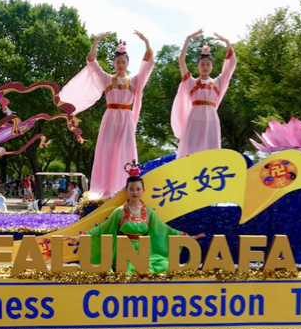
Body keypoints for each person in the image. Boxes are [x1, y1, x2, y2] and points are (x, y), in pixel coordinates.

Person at [59, 31, 155, 198]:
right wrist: (96, 41)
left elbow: (148, 64)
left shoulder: (134, 81)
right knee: (108, 151)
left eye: (123, 62)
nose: (120, 65)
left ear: (127, 63)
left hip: (126, 117)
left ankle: (124, 186)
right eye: (118, 62)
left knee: (125, 150)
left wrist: (146, 41)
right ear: (114, 63)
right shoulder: (107, 79)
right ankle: (106, 189)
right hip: (110, 117)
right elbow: (91, 61)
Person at [69, 172, 205, 273]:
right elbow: (103, 228)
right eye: (132, 189)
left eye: (138, 189)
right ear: (127, 191)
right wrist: (81, 237)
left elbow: (164, 229)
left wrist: (187, 238)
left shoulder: (149, 212)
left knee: (164, 265)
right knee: (129, 270)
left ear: (143, 191)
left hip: (145, 250)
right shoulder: (119, 211)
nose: (135, 192)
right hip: (124, 252)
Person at [171, 30, 237, 158]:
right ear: (197, 67)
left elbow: (231, 65)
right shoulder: (191, 83)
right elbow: (181, 61)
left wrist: (228, 43)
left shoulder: (218, 83)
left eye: (208, 64)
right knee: (191, 149)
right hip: (194, 118)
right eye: (202, 64)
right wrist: (188, 40)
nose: (205, 67)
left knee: (210, 150)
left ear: (212, 67)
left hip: (211, 118)